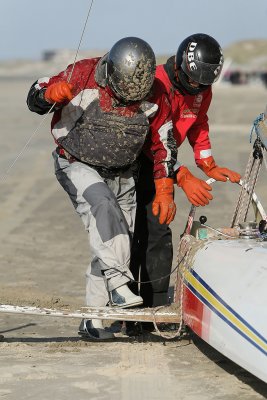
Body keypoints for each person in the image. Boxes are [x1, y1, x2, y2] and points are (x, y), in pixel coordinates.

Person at [27, 37, 178, 340]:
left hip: (124, 173)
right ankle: (119, 286)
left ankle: (92, 321)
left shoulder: (156, 94)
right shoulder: (83, 74)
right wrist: (48, 95)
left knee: (115, 240)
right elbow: (36, 95)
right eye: (123, 95)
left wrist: (164, 185)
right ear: (110, 74)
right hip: (77, 163)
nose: (127, 103)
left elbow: (163, 142)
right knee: (103, 209)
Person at [130, 33, 241, 330]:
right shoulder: (154, 84)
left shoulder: (202, 88)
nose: (197, 87)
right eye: (193, 82)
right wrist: (182, 175)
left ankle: (153, 311)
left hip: (167, 164)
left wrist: (208, 164)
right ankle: (123, 310)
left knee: (158, 232)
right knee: (130, 235)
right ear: (180, 67)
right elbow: (149, 139)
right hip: (136, 160)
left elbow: (198, 123)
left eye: (204, 84)